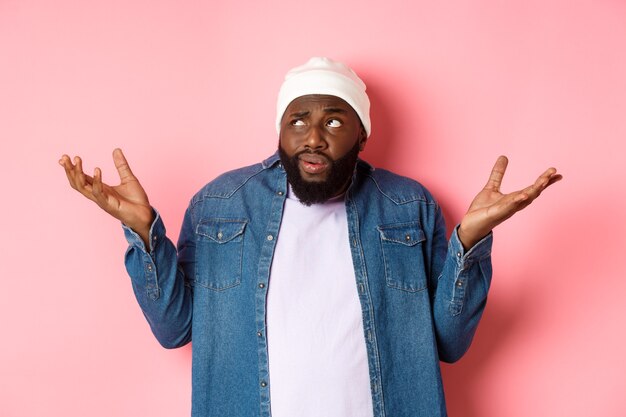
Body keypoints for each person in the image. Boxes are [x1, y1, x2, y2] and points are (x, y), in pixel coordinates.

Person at [59, 57, 561, 417]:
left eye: (334, 120)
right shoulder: (220, 204)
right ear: (280, 130)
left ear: (361, 133)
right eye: (297, 120)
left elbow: (448, 345)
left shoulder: (408, 206)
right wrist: (144, 233)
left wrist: (469, 243)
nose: (313, 136)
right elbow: (174, 330)